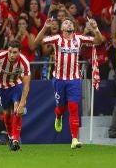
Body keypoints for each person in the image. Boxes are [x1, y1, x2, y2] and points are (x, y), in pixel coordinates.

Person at [33, 17, 104, 149]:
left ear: (73, 27)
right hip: (59, 80)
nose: (68, 23)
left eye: (70, 22)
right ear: (62, 28)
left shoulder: (79, 38)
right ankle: (58, 116)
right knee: (60, 108)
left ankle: (74, 139)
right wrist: (44, 27)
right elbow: (36, 42)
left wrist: (96, 28)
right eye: (65, 23)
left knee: (73, 108)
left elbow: (99, 41)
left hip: (74, 79)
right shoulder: (56, 39)